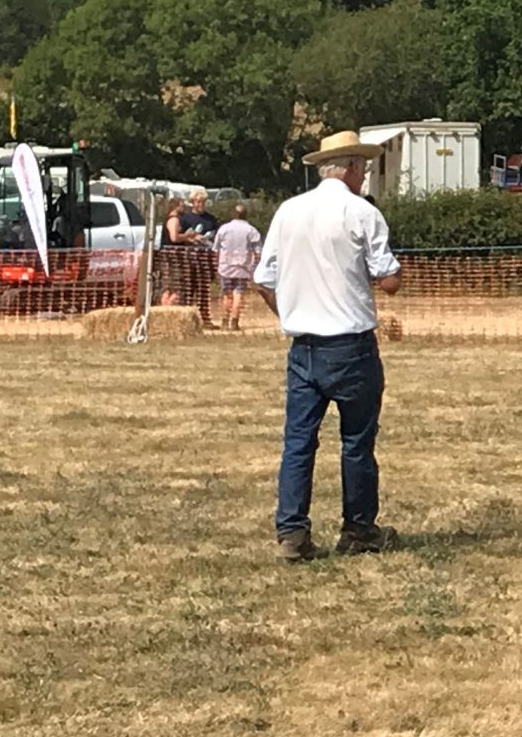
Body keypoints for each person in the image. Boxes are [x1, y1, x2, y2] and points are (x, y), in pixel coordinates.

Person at [255, 131, 402, 562]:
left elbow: (263, 280)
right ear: (351, 168)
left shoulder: (288, 211)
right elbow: (389, 281)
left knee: (299, 441)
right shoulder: (362, 212)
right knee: (356, 441)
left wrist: (290, 314)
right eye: (364, 168)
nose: (365, 175)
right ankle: (358, 529)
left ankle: (292, 533)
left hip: (303, 345)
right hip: (351, 345)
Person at [163, 188, 220, 318]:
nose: (201, 204)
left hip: (205, 257)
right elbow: (178, 237)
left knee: (203, 289)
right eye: (198, 202)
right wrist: (192, 238)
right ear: (192, 202)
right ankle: (187, 317)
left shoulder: (211, 219)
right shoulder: (184, 219)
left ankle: (204, 317)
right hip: (188, 258)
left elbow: (216, 236)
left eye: (203, 202)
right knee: (188, 288)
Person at [213, 202, 261, 332]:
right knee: (238, 294)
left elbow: (216, 249)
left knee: (226, 294)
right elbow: (257, 251)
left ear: (233, 214)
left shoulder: (224, 229)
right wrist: (255, 266)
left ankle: (224, 321)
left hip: (226, 267)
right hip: (243, 268)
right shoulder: (251, 230)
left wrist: (216, 264)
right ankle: (234, 321)